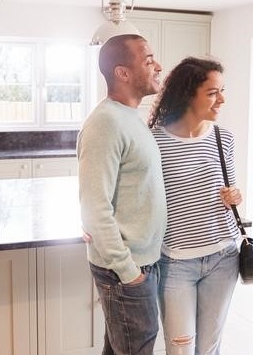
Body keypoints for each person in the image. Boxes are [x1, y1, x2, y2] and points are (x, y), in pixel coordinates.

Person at [77, 34, 167, 355]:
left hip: (139, 264)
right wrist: (128, 272)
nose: (158, 66)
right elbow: (94, 206)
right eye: (148, 60)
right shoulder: (106, 123)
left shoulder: (131, 117)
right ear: (123, 73)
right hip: (126, 269)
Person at [148, 56, 243, 355]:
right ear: (189, 93)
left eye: (222, 91)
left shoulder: (223, 138)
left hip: (223, 258)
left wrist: (234, 197)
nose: (222, 100)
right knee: (181, 350)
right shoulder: (154, 141)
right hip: (176, 262)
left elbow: (228, 189)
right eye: (213, 93)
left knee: (209, 348)